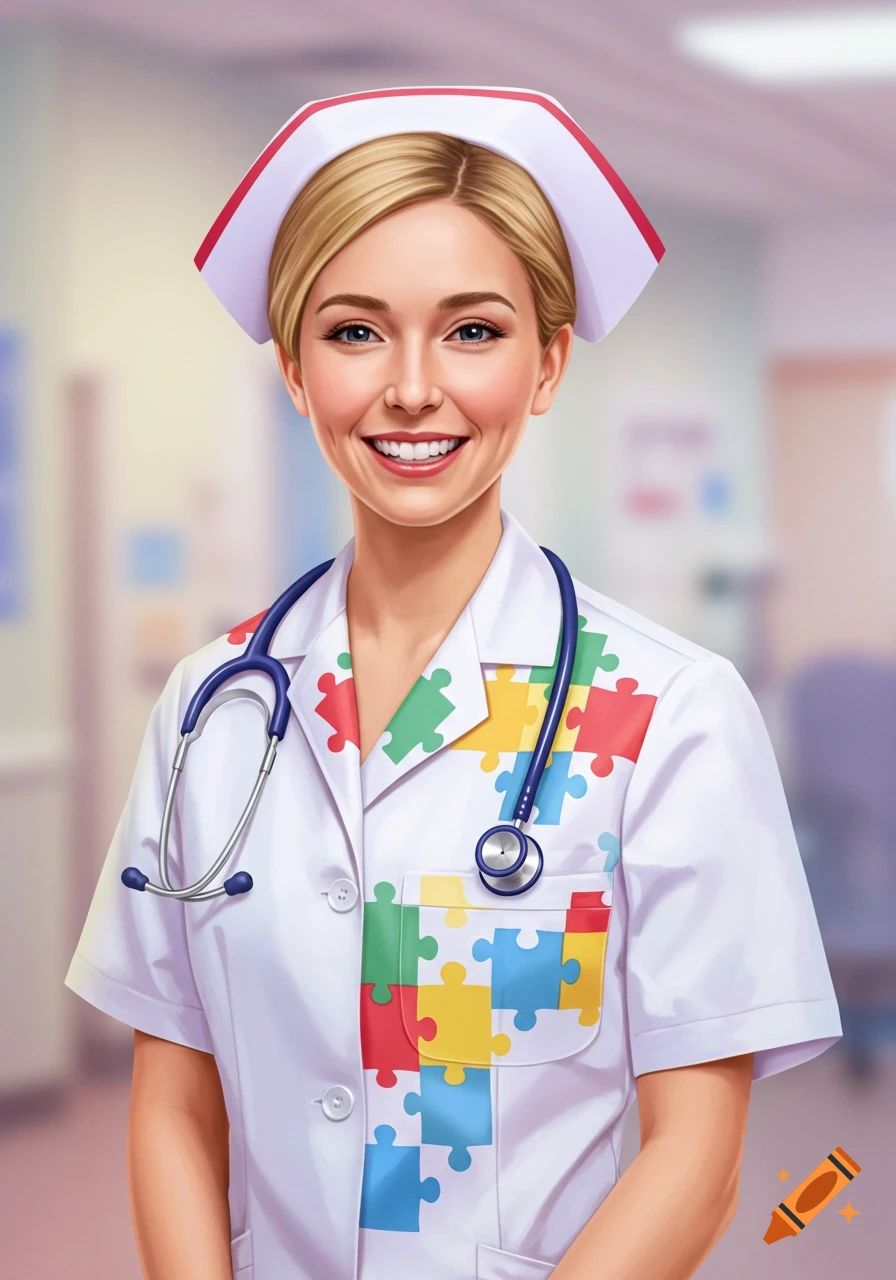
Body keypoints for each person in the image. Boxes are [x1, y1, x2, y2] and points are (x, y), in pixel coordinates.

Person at [65, 87, 842, 1280]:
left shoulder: (665, 712)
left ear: (546, 365)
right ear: (291, 368)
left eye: (473, 331)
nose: (411, 387)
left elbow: (695, 1154)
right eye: (354, 331)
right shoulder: (213, 706)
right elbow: (174, 1101)